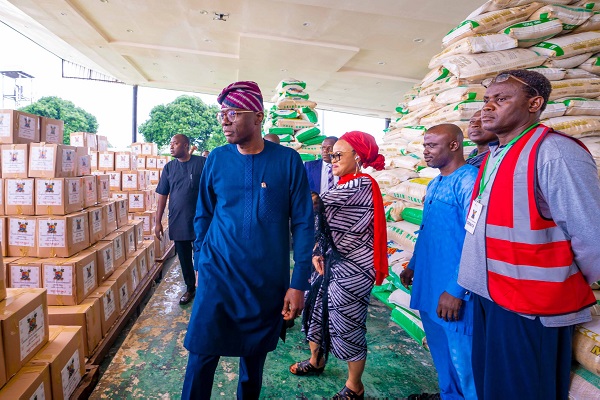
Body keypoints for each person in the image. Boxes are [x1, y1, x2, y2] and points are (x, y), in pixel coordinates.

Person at [457, 69, 600, 399]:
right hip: (490, 296)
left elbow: (591, 237)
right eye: (487, 100)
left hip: (531, 305)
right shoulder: (494, 154)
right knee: (493, 389)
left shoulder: (554, 152)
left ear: (535, 103)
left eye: (502, 99)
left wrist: (558, 283)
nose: (488, 107)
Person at [181, 81, 314, 400]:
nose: (224, 120)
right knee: (201, 353)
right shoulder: (217, 158)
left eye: (232, 113)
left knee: (253, 362)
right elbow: (203, 214)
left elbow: (304, 223)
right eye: (221, 114)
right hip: (218, 273)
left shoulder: (287, 162)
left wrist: (298, 284)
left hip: (265, 281)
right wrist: (200, 261)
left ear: (258, 116)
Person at [290, 131, 388, 400]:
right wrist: (317, 252)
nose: (331, 159)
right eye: (331, 155)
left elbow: (316, 205)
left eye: (338, 155)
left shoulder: (360, 185)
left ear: (357, 157)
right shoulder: (345, 182)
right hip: (332, 263)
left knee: (346, 322)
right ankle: (316, 360)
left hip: (354, 268)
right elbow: (329, 228)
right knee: (315, 308)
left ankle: (354, 386)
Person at [400, 124, 478, 400]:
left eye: (432, 146)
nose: (425, 152)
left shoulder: (469, 181)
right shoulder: (435, 183)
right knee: (441, 352)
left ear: (454, 146)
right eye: (424, 146)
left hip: (454, 291)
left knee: (464, 362)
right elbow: (427, 230)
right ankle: (449, 395)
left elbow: (476, 239)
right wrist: (414, 265)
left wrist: (457, 290)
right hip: (429, 285)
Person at [155, 134, 206, 305]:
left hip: (202, 219)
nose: (171, 147)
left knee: (205, 254)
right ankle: (190, 288)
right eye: (170, 143)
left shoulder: (201, 163)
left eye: (175, 143)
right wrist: (157, 222)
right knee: (184, 257)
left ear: (185, 145)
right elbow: (162, 194)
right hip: (178, 219)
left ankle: (207, 287)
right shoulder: (169, 168)